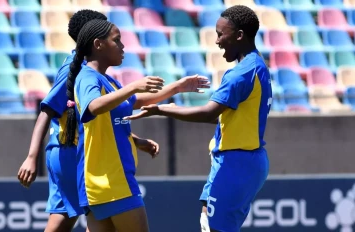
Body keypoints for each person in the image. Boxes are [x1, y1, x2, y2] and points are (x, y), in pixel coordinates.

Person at [125, 5, 272, 232]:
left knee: (215, 228)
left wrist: (163, 110)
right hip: (241, 161)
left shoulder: (240, 74)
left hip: (237, 163)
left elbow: (209, 113)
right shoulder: (258, 65)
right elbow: (227, 117)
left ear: (240, 35)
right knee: (207, 219)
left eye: (221, 34)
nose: (217, 41)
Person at [17, 10, 160, 232]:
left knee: (69, 221)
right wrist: (31, 157)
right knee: (78, 218)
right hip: (71, 152)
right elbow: (47, 111)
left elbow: (95, 120)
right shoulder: (77, 71)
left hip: (71, 150)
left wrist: (135, 140)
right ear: (96, 40)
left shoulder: (88, 69)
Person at [63, 18, 210, 232]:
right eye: (117, 40)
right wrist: (132, 87)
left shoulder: (108, 81)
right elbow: (93, 106)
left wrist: (176, 88)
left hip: (101, 180)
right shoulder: (87, 77)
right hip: (112, 179)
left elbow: (135, 101)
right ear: (98, 44)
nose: (123, 46)